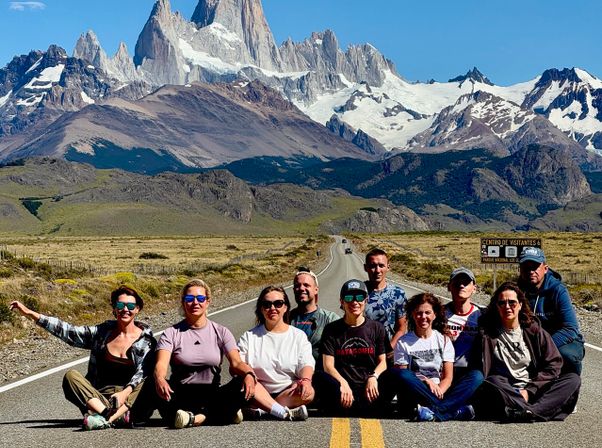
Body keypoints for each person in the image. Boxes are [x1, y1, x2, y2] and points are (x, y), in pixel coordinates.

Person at [10, 286, 155, 430]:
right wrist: (31, 314)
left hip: (130, 401)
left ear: (137, 309)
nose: (125, 309)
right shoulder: (101, 333)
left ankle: (108, 418)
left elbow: (142, 373)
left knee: (148, 377)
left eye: (130, 306)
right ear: (114, 308)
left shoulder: (146, 340)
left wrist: (124, 393)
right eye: (120, 305)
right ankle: (110, 415)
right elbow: (69, 331)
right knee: (71, 376)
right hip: (99, 399)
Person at [154, 279, 256, 429]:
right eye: (190, 298)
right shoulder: (171, 333)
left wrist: (249, 374)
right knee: (152, 383)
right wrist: (160, 379)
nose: (195, 302)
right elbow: (161, 364)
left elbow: (236, 363)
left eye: (200, 298)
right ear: (183, 302)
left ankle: (195, 418)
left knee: (243, 381)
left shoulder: (221, 331)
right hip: (181, 393)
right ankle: (224, 414)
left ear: (208, 302)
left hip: (212, 393)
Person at [473, 282, 580, 422]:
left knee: (572, 379)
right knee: (493, 380)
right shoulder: (486, 333)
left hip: (533, 389)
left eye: (512, 302)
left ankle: (528, 412)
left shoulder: (533, 330)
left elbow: (554, 363)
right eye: (502, 303)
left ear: (520, 304)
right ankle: (537, 410)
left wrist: (529, 390)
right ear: (496, 306)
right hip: (504, 390)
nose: (507, 307)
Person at [393, 293, 482, 421]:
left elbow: (448, 377)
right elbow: (404, 374)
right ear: (412, 315)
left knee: (476, 376)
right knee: (402, 375)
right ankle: (452, 411)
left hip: (440, 390)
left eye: (427, 313)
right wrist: (425, 380)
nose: (423, 317)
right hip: (417, 390)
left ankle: (434, 412)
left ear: (434, 315)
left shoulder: (443, 340)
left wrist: (439, 390)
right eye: (419, 313)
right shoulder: (403, 342)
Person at [315, 279, 395, 416]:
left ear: (366, 300)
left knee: (398, 374)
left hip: (370, 389)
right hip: (343, 391)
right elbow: (328, 366)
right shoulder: (331, 330)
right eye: (348, 298)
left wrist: (373, 377)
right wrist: (342, 383)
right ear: (342, 302)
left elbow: (383, 362)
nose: (354, 302)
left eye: (359, 297)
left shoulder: (377, 328)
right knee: (317, 376)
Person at [238, 285, 315, 421]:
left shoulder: (298, 336)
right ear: (261, 309)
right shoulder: (249, 336)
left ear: (285, 307)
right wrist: (248, 375)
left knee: (309, 393)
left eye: (278, 303)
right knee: (245, 382)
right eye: (267, 304)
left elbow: (306, 363)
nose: (272, 308)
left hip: (287, 391)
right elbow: (239, 363)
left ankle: (264, 411)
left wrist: (305, 381)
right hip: (258, 391)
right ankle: (282, 412)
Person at [517, 246, 585, 375]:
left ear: (545, 268)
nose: (531, 271)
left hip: (560, 339)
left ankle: (570, 383)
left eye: (535, 267)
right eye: (526, 267)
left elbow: (570, 328)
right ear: (520, 269)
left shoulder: (558, 290)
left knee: (567, 355)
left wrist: (545, 346)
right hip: (530, 339)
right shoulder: (516, 290)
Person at [289, 268, 339, 361]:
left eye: (306, 285)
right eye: (297, 285)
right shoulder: (285, 319)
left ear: (316, 290)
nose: (301, 288)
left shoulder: (330, 319)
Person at [363, 248, 407, 346]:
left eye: (381, 265)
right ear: (365, 268)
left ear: (388, 267)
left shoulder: (397, 293)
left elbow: (402, 327)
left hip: (389, 349)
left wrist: (390, 348)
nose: (377, 270)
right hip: (363, 349)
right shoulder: (358, 293)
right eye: (373, 266)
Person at [445, 267, 482, 374]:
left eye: (466, 283)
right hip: (442, 369)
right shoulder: (437, 315)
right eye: (457, 282)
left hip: (471, 371)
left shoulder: (482, 316)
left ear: (474, 288)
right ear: (449, 287)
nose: (461, 285)